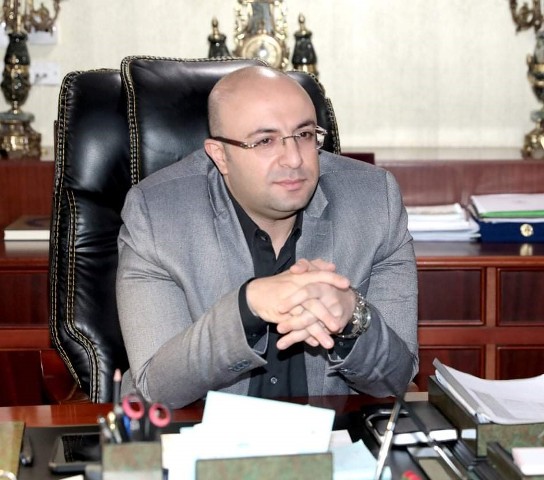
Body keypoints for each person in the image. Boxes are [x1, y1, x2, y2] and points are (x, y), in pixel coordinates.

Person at [116, 65, 418, 408]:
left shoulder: (374, 202)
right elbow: (157, 390)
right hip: (207, 433)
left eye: (304, 134)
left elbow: (396, 379)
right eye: (264, 141)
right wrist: (247, 308)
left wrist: (353, 318)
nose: (294, 159)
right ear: (220, 156)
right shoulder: (158, 215)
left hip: (330, 433)